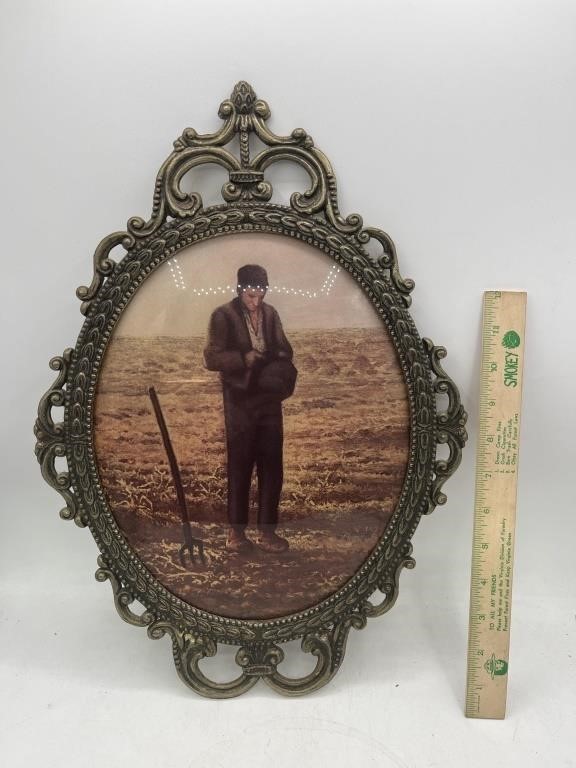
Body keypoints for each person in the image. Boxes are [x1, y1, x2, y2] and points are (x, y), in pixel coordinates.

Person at [203, 264, 296, 554]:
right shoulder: (223, 316)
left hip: (268, 399)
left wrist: (275, 361)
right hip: (240, 402)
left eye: (260, 295)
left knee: (272, 466)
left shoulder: (271, 314)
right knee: (240, 465)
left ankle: (267, 534)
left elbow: (285, 348)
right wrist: (244, 358)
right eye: (250, 296)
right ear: (240, 290)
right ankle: (235, 534)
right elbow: (211, 358)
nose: (256, 302)